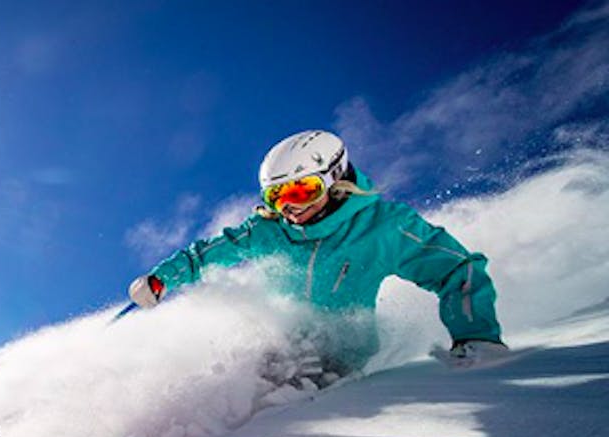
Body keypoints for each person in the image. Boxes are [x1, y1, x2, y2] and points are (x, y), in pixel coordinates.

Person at [128, 129, 506, 376]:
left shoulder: (383, 227)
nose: (289, 208)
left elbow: (456, 271)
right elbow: (206, 254)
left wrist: (475, 337)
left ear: (335, 178)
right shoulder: (268, 230)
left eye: (300, 191)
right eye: (277, 197)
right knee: (217, 402)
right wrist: (163, 278)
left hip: (344, 366)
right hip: (278, 355)